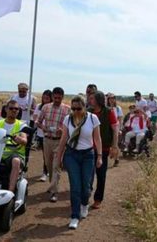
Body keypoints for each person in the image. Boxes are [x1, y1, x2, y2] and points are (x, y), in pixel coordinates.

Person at [56, 96, 102, 230]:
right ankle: (75, 216)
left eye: (78, 108)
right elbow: (64, 139)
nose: (75, 111)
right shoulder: (68, 119)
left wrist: (99, 156)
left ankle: (84, 204)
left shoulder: (93, 118)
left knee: (86, 186)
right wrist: (58, 158)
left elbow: (97, 139)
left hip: (88, 155)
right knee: (75, 186)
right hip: (72, 155)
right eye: (73, 108)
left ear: (84, 107)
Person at [36, 87, 70, 202]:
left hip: (59, 141)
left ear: (62, 97)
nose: (57, 100)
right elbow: (37, 122)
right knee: (49, 164)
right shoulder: (46, 107)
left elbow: (71, 126)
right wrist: (43, 127)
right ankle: (52, 184)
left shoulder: (67, 110)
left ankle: (54, 191)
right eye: (55, 97)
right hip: (47, 140)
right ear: (52, 97)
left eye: (59, 98)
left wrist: (64, 130)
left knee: (56, 165)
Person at [88, 91, 119, 209]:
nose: (90, 101)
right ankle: (86, 193)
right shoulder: (89, 112)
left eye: (92, 99)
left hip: (104, 148)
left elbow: (115, 130)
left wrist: (114, 146)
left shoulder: (109, 112)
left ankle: (98, 199)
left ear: (98, 100)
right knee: (88, 173)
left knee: (101, 175)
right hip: (89, 148)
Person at [33, 90, 53, 182]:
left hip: (52, 134)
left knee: (51, 155)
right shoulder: (39, 106)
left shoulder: (53, 107)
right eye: (44, 98)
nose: (45, 100)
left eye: (47, 98)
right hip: (41, 133)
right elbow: (35, 117)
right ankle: (45, 172)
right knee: (45, 155)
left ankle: (50, 170)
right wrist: (40, 125)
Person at [106, 93, 123, 166]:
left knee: (115, 144)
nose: (111, 100)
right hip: (108, 128)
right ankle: (112, 154)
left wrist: (119, 129)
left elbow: (120, 119)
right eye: (110, 98)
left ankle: (116, 159)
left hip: (115, 128)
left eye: (113, 98)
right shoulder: (106, 108)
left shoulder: (118, 108)